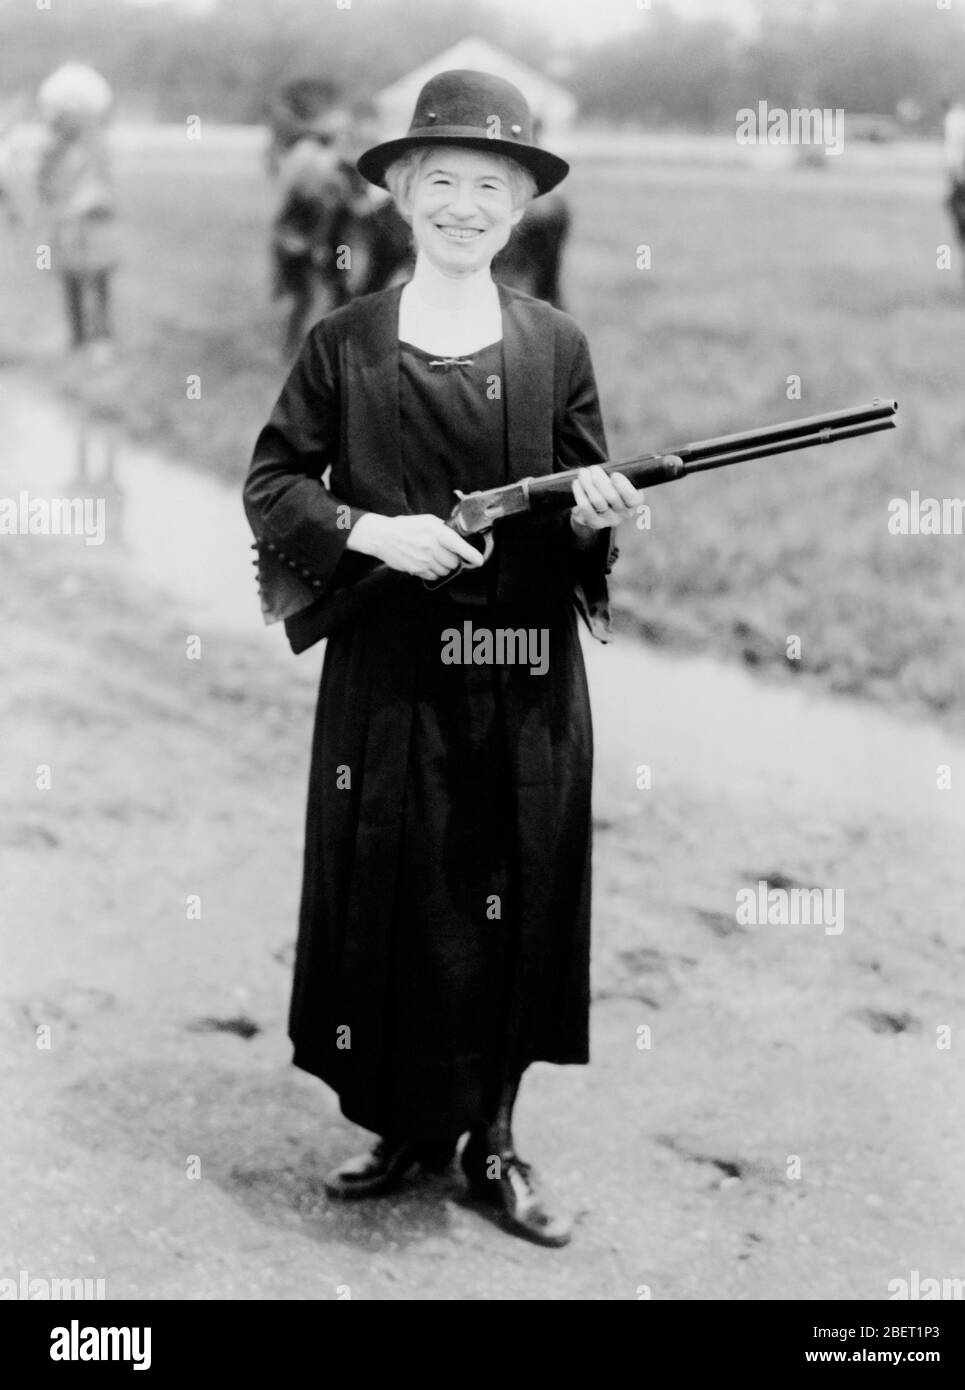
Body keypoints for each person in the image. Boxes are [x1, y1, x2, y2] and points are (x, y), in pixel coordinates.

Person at [243, 69, 649, 1248]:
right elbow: (274, 484)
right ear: (403, 194)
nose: (464, 206)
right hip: (385, 680)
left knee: (513, 896)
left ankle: (495, 1140)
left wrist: (599, 518)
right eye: (442, 182)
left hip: (520, 679)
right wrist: (373, 532)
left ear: (521, 209)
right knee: (391, 893)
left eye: (490, 187)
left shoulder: (556, 344)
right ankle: (405, 1125)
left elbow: (579, 515)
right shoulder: (345, 341)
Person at [35, 63, 119, 360]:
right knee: (70, 278)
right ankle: (77, 336)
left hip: (92, 223)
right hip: (67, 225)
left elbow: (105, 187)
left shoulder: (96, 147)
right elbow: (44, 186)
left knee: (97, 278)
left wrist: (90, 203)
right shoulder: (52, 151)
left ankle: (102, 336)